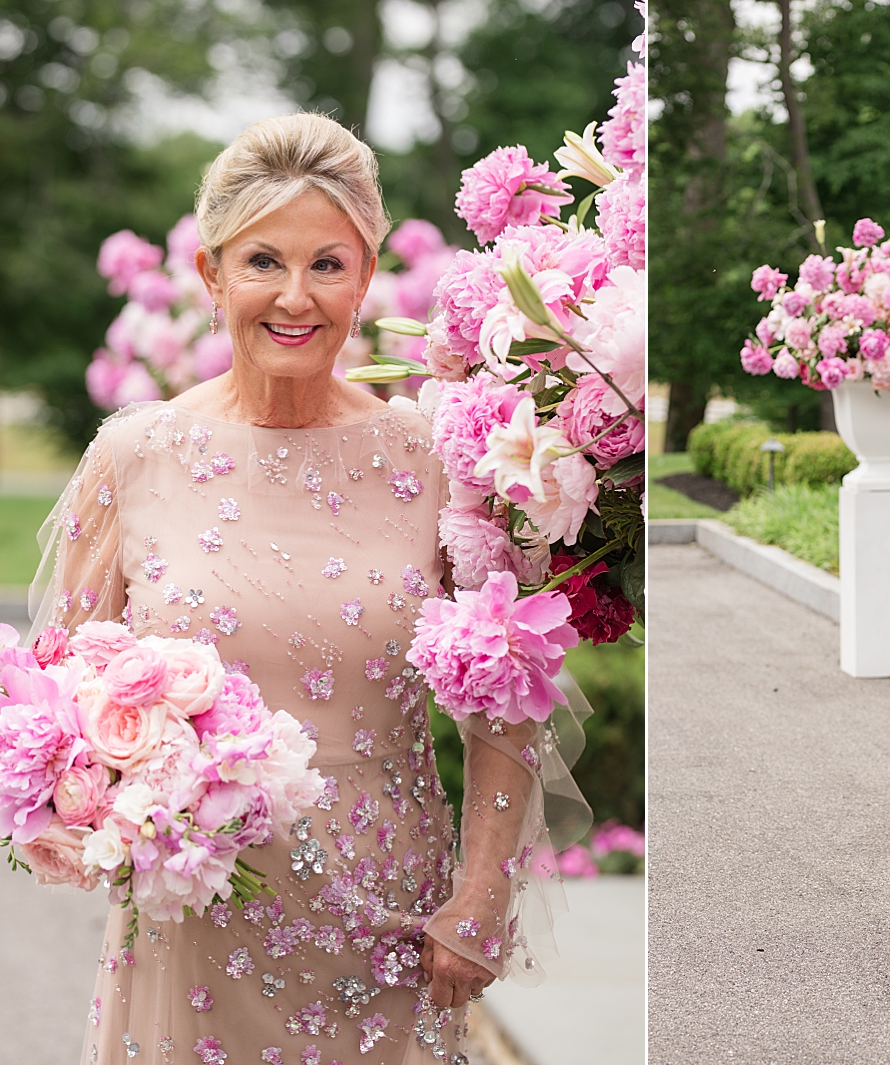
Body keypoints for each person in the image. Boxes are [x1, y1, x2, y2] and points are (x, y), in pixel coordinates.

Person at [33, 112, 587, 1064]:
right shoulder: (134, 455)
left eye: (328, 264)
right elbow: (63, 703)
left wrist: (484, 889)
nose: (296, 297)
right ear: (212, 276)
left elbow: (505, 698)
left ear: (366, 278)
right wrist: (96, 810)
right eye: (263, 263)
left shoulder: (437, 455)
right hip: (195, 916)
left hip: (390, 920)